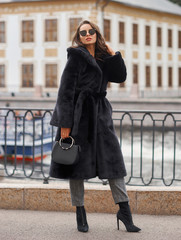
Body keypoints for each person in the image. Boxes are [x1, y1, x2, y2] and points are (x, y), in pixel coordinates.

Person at [49, 20, 141, 233]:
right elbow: (65, 92)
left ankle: (125, 212)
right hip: (79, 117)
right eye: (83, 32)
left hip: (100, 115)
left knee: (114, 163)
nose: (88, 34)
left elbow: (120, 77)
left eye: (91, 31)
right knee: (76, 167)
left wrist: (111, 52)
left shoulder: (102, 57)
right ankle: (80, 213)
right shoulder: (75, 57)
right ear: (79, 36)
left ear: (97, 34)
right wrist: (65, 124)